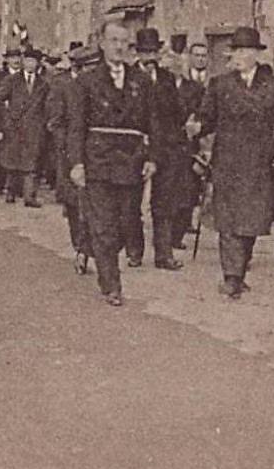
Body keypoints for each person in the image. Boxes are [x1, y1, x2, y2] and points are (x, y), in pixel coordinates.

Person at [186, 26, 274, 301]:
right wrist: (196, 126)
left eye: (240, 51)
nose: (235, 56)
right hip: (228, 162)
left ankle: (239, 270)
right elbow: (207, 117)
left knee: (251, 223)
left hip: (261, 164)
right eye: (233, 51)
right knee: (228, 221)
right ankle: (232, 277)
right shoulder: (220, 84)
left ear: (253, 54)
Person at [66, 20, 156, 306]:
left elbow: (153, 123)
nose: (119, 47)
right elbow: (76, 126)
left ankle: (89, 248)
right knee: (104, 224)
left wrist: (153, 158)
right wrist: (77, 163)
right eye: (114, 40)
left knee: (125, 222)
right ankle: (111, 284)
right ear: (102, 43)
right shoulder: (87, 81)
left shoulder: (141, 81)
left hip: (131, 162)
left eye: (124, 42)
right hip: (99, 161)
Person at [134, 28, 193, 271]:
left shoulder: (167, 78)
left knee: (164, 202)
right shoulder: (127, 77)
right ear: (137, 53)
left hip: (165, 148)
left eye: (153, 53)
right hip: (136, 146)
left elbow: (178, 113)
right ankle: (135, 250)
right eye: (145, 53)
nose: (150, 58)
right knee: (131, 201)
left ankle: (163, 254)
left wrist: (178, 81)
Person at [48, 44, 101, 272]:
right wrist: (69, 147)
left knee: (100, 204)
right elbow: (54, 123)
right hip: (71, 156)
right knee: (75, 205)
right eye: (90, 68)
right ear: (79, 69)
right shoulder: (63, 87)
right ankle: (81, 248)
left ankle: (93, 248)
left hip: (101, 156)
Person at [0, 47, 49, 207]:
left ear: (38, 64)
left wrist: (44, 123)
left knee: (32, 162)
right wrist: (7, 119)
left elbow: (48, 104)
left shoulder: (44, 83)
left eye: (33, 61)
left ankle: (29, 196)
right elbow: (0, 98)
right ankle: (11, 192)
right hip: (15, 126)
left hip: (34, 128)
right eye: (27, 61)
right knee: (13, 161)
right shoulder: (12, 80)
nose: (29, 64)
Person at [173, 41, 212, 246]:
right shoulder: (182, 82)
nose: (200, 59)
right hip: (183, 142)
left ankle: (188, 221)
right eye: (196, 55)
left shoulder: (213, 82)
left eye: (204, 55)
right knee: (182, 186)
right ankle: (178, 228)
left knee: (194, 185)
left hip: (203, 141)